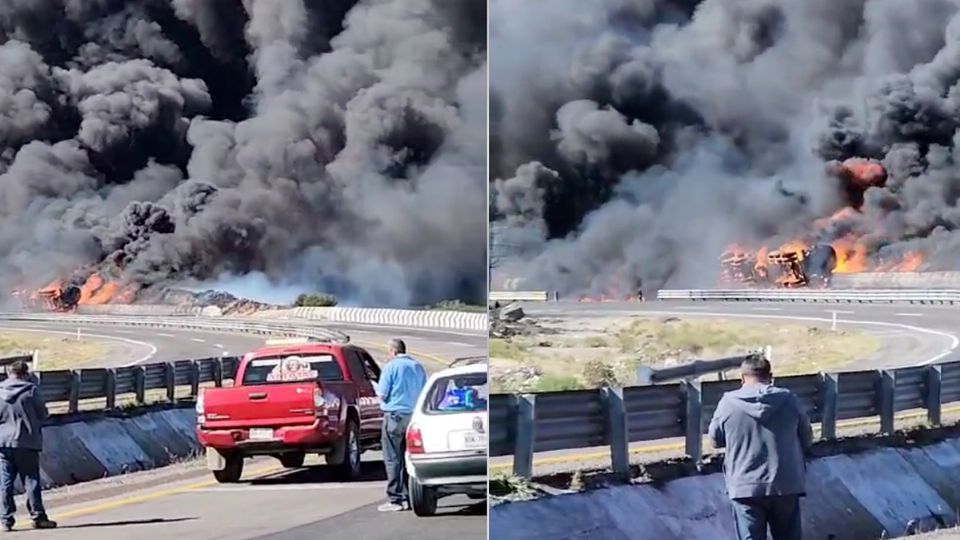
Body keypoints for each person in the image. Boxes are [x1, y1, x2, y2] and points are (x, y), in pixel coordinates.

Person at [708, 356, 812, 540]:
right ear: (770, 376)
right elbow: (806, 438)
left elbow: (715, 440)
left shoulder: (728, 403)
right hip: (785, 483)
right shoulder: (789, 399)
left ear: (742, 378)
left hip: (745, 485)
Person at [0, 360, 56, 530]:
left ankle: (5, 519)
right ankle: (38, 517)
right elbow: (43, 414)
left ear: (9, 373)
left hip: (3, 441)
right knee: (31, 480)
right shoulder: (31, 391)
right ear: (25, 373)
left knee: (5, 481)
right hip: (27, 441)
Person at [376, 338, 427, 512]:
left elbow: (382, 394)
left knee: (392, 458)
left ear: (392, 351)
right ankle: (410, 495)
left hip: (395, 416)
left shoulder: (391, 367)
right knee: (409, 458)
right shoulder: (417, 367)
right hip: (413, 417)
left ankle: (396, 498)